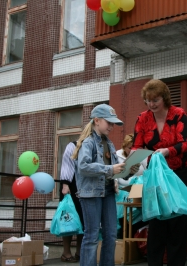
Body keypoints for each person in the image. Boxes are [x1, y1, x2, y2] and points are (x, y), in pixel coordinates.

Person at [132, 79, 187, 266]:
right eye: (148, 101)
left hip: (179, 171)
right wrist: (136, 161)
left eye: (155, 100)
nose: (152, 104)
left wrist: (168, 151)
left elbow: (185, 143)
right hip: (155, 174)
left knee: (177, 219)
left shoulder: (178, 114)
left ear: (164, 98)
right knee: (157, 219)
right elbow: (136, 146)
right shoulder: (142, 118)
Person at [71, 104, 125, 266]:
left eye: (113, 123)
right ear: (96, 120)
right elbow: (83, 166)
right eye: (109, 122)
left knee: (111, 235)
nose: (112, 126)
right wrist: (110, 169)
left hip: (107, 191)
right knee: (92, 235)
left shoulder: (109, 143)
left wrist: (127, 169)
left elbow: (113, 171)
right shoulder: (88, 143)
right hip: (90, 193)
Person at [59, 141, 84, 263]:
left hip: (84, 187)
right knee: (68, 219)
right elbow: (66, 165)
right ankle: (66, 252)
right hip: (70, 186)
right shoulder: (73, 145)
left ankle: (79, 252)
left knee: (83, 220)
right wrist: (65, 184)